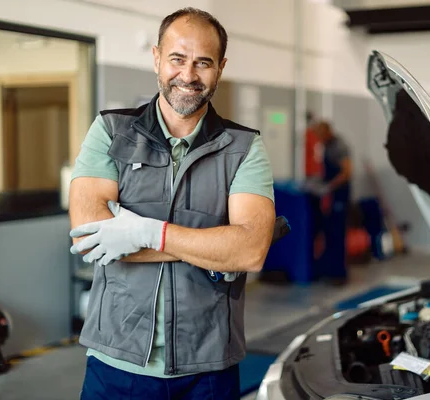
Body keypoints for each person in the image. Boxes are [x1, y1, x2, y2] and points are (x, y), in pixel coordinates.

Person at [68, 7, 275, 399]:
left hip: (209, 366)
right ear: (157, 58)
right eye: (177, 59)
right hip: (117, 362)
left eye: (203, 63)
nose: (189, 75)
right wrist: (212, 246)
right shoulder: (111, 131)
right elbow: (90, 235)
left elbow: (250, 251)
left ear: (221, 67)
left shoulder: (244, 146)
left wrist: (144, 231)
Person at [311, 121, 352, 285]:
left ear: (327, 131)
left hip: (340, 196)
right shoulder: (327, 145)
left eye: (320, 135)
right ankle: (329, 270)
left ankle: (339, 274)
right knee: (329, 233)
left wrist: (329, 187)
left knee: (337, 234)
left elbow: (347, 172)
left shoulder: (339, 146)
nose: (318, 139)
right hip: (332, 196)